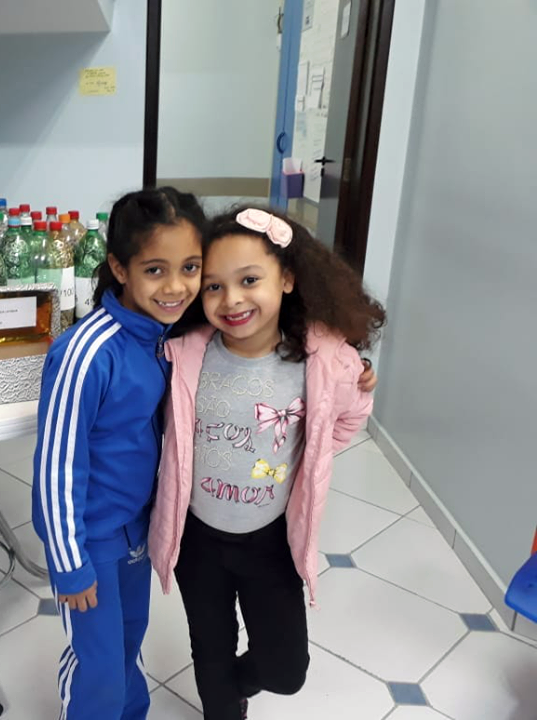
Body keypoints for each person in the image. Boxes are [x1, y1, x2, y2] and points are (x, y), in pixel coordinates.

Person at [148, 206, 386, 720]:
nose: (231, 299)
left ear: (288, 279)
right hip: (198, 539)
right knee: (210, 651)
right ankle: (222, 700)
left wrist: (314, 454)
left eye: (249, 280)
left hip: (270, 541)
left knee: (286, 670)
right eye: (213, 286)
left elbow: (350, 414)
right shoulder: (183, 354)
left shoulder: (323, 361)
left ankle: (231, 684)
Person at [31, 186, 207, 719]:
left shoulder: (167, 335)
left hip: (137, 530)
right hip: (91, 540)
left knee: (129, 640)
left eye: (190, 267)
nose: (176, 286)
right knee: (99, 666)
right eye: (155, 270)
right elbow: (56, 467)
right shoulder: (86, 354)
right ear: (119, 268)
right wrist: (70, 564)